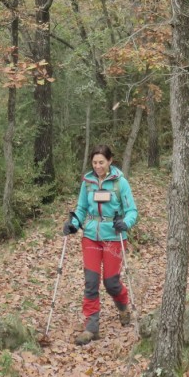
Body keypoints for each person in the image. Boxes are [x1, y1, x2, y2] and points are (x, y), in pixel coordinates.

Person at [62, 145, 138, 345]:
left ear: (110, 161)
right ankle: (91, 327)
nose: (97, 166)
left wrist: (126, 223)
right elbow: (81, 208)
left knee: (111, 282)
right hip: (90, 237)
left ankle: (123, 306)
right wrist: (73, 224)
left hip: (113, 236)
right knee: (91, 282)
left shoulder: (120, 183)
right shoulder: (87, 183)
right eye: (95, 162)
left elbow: (132, 211)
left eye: (101, 162)